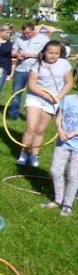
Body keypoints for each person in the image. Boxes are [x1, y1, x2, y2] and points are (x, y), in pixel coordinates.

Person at [16, 41, 72, 167]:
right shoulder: (37, 65)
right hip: (35, 97)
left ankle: (34, 155)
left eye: (56, 53)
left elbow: (69, 83)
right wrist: (44, 95)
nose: (53, 56)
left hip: (53, 100)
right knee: (31, 127)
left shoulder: (64, 64)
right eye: (50, 53)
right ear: (44, 52)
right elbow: (31, 85)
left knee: (41, 130)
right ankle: (23, 153)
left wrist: (58, 97)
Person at [46, 80, 78, 216]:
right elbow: (59, 118)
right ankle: (58, 199)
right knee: (55, 170)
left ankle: (67, 204)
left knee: (73, 174)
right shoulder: (68, 99)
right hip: (63, 142)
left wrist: (74, 132)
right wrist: (59, 130)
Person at [6, 22, 50, 120]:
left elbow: (46, 55)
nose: (26, 35)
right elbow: (13, 51)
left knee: (34, 94)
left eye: (28, 33)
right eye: (24, 33)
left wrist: (31, 55)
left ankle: (32, 115)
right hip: (20, 70)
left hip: (36, 71)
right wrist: (17, 55)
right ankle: (13, 115)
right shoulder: (20, 38)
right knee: (16, 93)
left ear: (34, 30)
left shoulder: (44, 39)